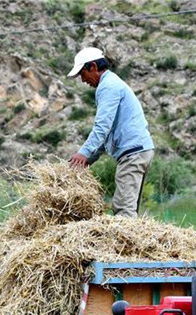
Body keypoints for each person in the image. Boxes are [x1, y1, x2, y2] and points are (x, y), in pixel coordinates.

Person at [67, 47, 155, 218]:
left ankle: (126, 244)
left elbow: (102, 127)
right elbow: (107, 133)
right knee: (129, 207)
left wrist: (83, 153)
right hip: (139, 150)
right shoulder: (111, 84)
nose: (83, 80)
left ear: (92, 66)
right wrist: (88, 160)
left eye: (82, 74)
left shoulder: (108, 87)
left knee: (123, 209)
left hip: (132, 153)